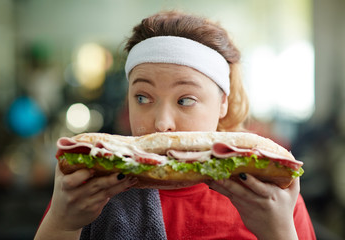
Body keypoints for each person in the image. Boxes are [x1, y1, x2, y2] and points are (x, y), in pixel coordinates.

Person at [35, 10, 316, 240]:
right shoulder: (87, 189)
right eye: (143, 97)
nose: (162, 123)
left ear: (222, 104)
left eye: (185, 100)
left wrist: (278, 233)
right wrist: (62, 224)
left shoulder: (270, 196)